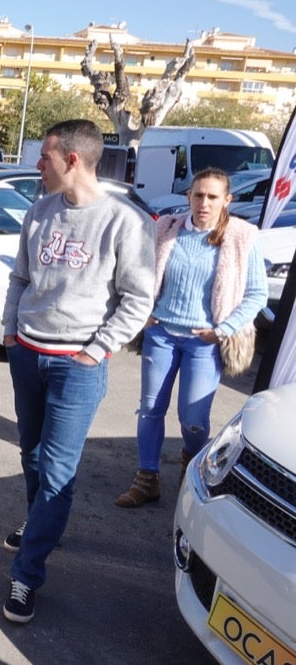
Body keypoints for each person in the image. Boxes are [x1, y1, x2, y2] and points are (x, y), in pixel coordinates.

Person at [0, 119, 156, 624]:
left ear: (72, 160)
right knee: (32, 455)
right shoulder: (39, 211)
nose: (36, 166)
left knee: (58, 474)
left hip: (77, 366)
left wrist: (97, 350)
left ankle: (26, 574)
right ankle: (38, 523)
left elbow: (138, 299)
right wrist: (8, 330)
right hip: (27, 354)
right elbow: (21, 276)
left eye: (44, 157)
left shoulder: (125, 222)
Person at [114, 167, 266, 508]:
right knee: (150, 409)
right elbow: (137, 273)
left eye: (213, 197)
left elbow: (256, 294)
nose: (204, 203)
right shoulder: (167, 228)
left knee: (193, 419)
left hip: (205, 341)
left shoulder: (241, 238)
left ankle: (192, 469)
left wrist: (223, 331)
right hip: (162, 334)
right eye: (198, 195)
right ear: (188, 196)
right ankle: (146, 478)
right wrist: (144, 312)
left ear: (227, 200)